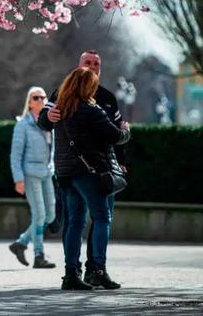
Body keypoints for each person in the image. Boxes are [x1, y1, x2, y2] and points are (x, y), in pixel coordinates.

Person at [38, 50, 127, 284]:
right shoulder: (67, 97)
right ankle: (97, 270)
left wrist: (121, 162)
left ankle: (75, 272)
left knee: (76, 220)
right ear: (78, 66)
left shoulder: (106, 97)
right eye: (87, 62)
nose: (92, 66)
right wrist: (49, 117)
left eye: (96, 63)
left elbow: (113, 134)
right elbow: (116, 134)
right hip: (92, 170)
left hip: (71, 170)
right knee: (101, 218)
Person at [8, 87, 56, 269]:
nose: (40, 100)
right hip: (30, 174)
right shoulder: (23, 125)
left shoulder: (49, 124)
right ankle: (39, 254)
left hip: (47, 173)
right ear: (29, 102)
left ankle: (21, 242)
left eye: (43, 97)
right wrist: (18, 179)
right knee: (40, 214)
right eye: (36, 98)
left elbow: (53, 150)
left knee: (50, 215)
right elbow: (15, 154)